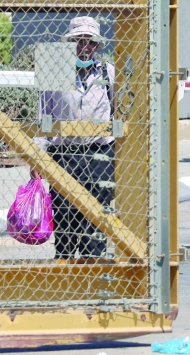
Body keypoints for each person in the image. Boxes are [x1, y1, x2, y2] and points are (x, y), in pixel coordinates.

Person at [36, 16, 116, 261]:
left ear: (98, 45)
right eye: (79, 41)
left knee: (96, 217)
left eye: (90, 42)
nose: (85, 47)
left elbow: (117, 110)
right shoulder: (54, 69)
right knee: (64, 216)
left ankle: (93, 268)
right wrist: (38, 156)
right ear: (69, 43)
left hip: (99, 153)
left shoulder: (108, 72)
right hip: (64, 154)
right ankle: (65, 269)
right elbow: (44, 116)